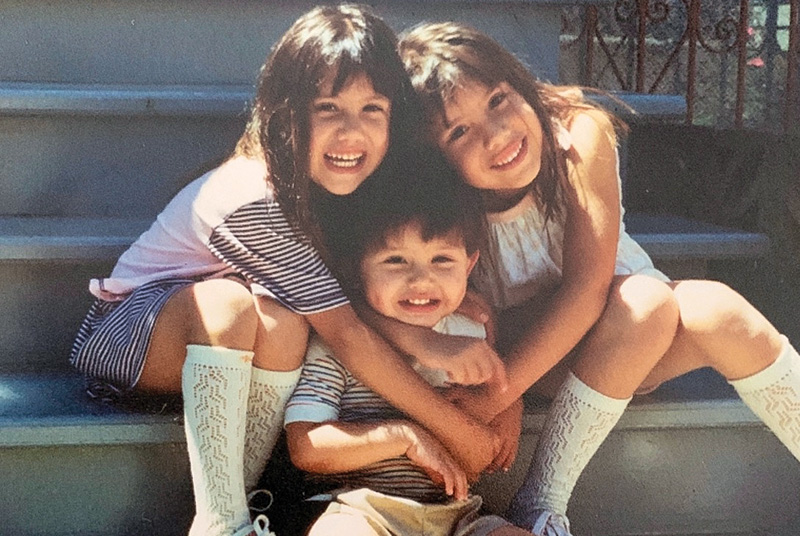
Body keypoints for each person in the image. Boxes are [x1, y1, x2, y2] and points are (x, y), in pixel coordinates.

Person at [68, 7, 503, 536]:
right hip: (128, 337)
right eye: (328, 109)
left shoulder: (341, 187)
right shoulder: (253, 193)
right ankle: (220, 523)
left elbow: (338, 302)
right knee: (234, 306)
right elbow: (344, 331)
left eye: (373, 109)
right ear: (284, 113)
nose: (351, 132)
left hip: (237, 351)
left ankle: (248, 502)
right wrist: (451, 412)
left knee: (283, 319)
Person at [399, 22, 800, 536]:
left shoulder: (579, 133)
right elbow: (470, 315)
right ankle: (541, 503)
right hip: (521, 358)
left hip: (622, 334)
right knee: (650, 303)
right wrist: (504, 387)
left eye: (499, 100)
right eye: (458, 131)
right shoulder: (443, 202)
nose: (495, 134)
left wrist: (499, 398)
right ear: (436, 160)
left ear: (521, 84)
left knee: (712, 309)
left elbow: (589, 286)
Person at [284, 163, 527, 536]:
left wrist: (509, 402)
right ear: (357, 269)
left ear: (470, 265)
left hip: (455, 515)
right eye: (395, 260)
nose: (420, 280)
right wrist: (400, 436)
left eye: (442, 260)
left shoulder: (470, 337)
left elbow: (485, 441)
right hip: (360, 509)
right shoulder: (340, 346)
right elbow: (306, 446)